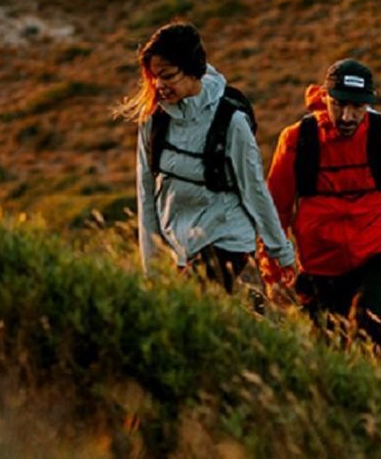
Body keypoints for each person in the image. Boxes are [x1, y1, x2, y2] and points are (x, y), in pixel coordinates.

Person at [116, 21, 296, 295]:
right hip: (180, 243)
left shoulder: (231, 121)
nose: (159, 85)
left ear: (193, 69)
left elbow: (254, 189)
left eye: (168, 76)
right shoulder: (153, 120)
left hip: (227, 235)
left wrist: (281, 253)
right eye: (154, 77)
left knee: (188, 305)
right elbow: (146, 193)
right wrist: (151, 267)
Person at [263, 58, 381, 349]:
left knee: (366, 321)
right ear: (324, 97)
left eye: (357, 107)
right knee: (326, 347)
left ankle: (379, 387)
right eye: (339, 105)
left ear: (369, 105)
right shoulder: (297, 140)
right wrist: (272, 272)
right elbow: (275, 209)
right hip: (320, 264)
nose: (348, 116)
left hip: (380, 253)